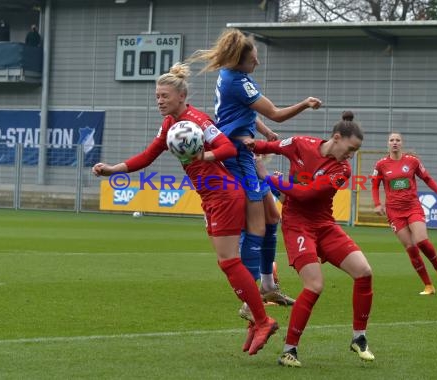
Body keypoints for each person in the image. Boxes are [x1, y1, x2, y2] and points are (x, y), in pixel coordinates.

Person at [91, 63, 278, 355]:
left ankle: (262, 319)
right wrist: (114, 169)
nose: (159, 100)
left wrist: (205, 153)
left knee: (230, 262)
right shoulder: (170, 125)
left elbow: (228, 148)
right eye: (157, 96)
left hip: (225, 195)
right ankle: (257, 318)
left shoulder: (198, 121)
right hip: (211, 198)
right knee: (229, 262)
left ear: (181, 96)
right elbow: (148, 155)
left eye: (164, 95)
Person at [188, 28, 322, 317]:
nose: (257, 64)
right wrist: (305, 104)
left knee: (273, 218)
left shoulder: (233, 76)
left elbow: (243, 112)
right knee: (257, 227)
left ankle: (267, 285)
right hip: (237, 157)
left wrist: (263, 130)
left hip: (244, 152)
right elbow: (275, 111)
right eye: (253, 60)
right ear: (239, 60)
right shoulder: (237, 81)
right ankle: (251, 302)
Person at [244, 111, 375, 367]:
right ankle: (289, 350)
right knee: (314, 286)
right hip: (297, 226)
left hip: (324, 225)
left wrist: (268, 178)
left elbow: (306, 194)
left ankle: (359, 337)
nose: (351, 156)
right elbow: (268, 145)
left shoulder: (342, 170)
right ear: (336, 138)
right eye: (351, 148)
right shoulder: (300, 144)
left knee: (364, 272)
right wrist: (249, 145)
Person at [371, 132, 437, 295]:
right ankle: (428, 286)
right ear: (388, 143)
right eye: (392, 140)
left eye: (397, 140)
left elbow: (427, 178)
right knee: (411, 248)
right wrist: (378, 204)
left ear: (402, 143)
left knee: (421, 241)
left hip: (413, 207)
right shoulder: (381, 165)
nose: (394, 143)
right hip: (394, 211)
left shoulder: (412, 161)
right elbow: (374, 185)